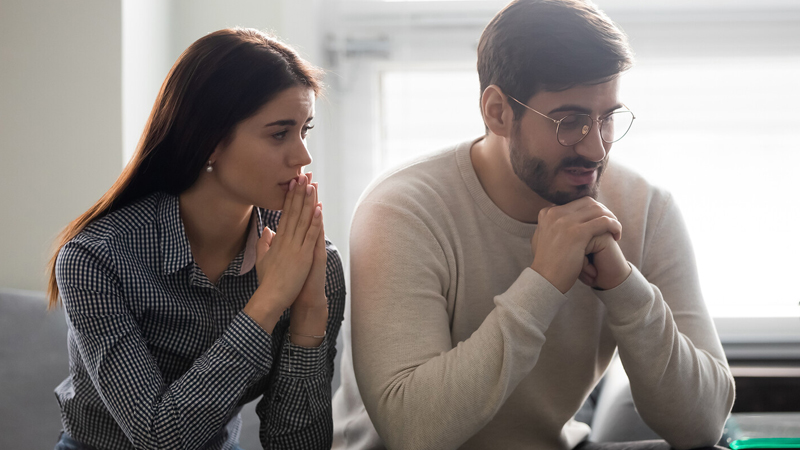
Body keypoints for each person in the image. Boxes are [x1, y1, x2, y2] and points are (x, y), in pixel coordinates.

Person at [331, 1, 734, 449]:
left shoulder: (644, 209)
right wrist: (542, 283)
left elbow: (702, 425)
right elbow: (415, 432)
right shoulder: (402, 210)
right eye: (571, 121)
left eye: (607, 119)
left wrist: (623, 287)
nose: (597, 149)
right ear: (498, 111)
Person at [47, 28, 345, 450]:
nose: (303, 156)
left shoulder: (310, 260)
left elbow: (294, 444)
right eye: (279, 133)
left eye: (304, 130)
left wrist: (311, 309)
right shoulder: (96, 258)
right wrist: (271, 298)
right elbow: (158, 438)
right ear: (209, 141)